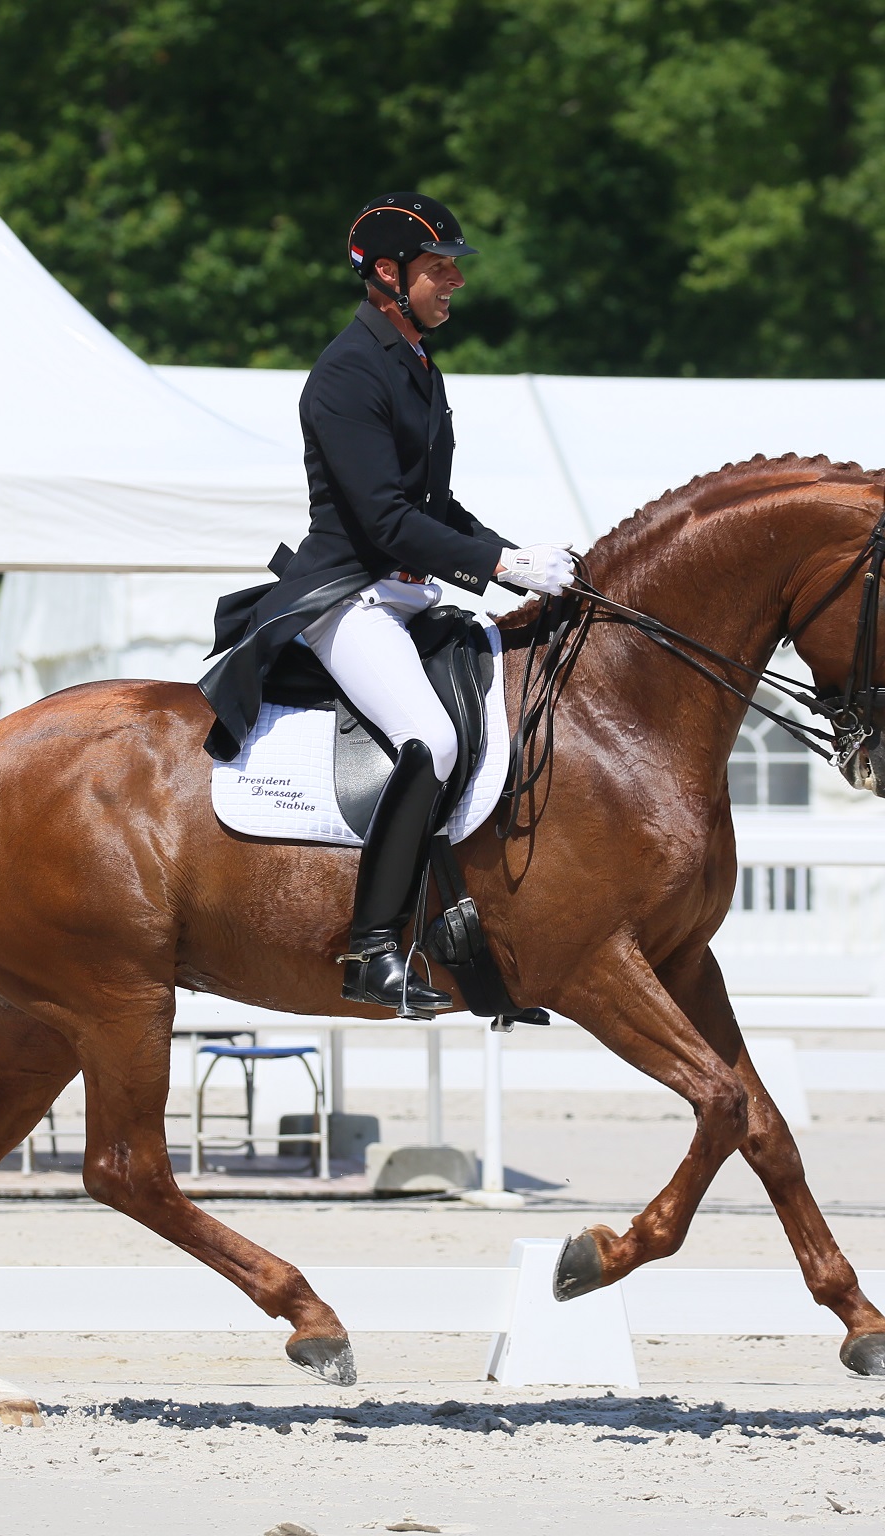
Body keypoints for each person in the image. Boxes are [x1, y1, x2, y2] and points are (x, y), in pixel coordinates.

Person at [198, 193, 576, 1016]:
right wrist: (500, 561)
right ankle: (370, 950)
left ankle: (472, 927)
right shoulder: (346, 372)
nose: (454, 283)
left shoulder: (415, 362)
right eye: (441, 268)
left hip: (410, 594)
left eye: (451, 269)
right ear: (386, 274)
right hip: (347, 598)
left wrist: (520, 563)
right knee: (429, 736)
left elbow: (434, 506)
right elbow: (384, 519)